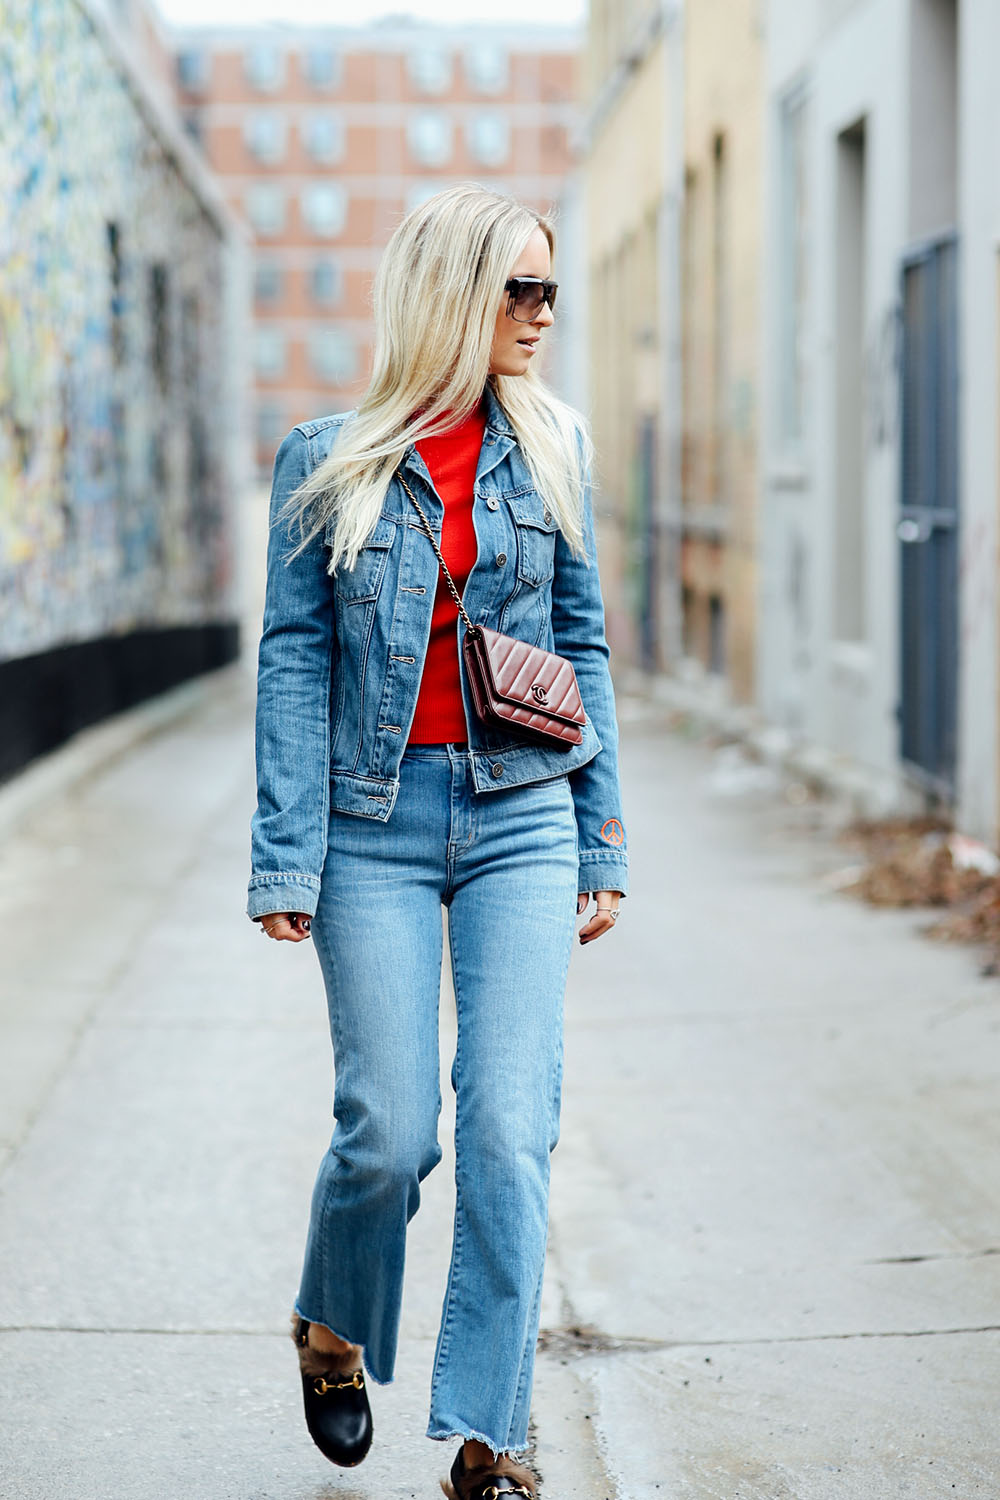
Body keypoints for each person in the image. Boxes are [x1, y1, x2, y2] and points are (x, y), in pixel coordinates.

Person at [248, 183, 628, 1500]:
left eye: (549, 290)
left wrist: (602, 836)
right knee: (391, 1132)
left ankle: (489, 1435)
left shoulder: (555, 446)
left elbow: (582, 645)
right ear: (450, 296)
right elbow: (293, 661)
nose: (540, 316)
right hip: (372, 824)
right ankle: (334, 1323)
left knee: (511, 1131)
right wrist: (286, 852)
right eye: (517, 290)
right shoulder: (326, 460)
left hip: (522, 809)